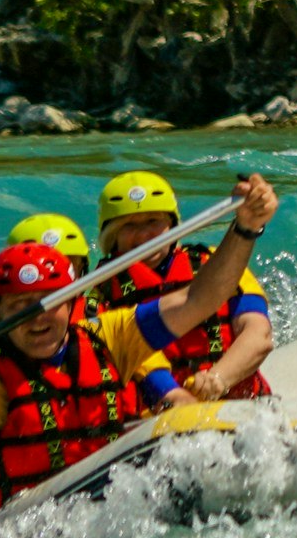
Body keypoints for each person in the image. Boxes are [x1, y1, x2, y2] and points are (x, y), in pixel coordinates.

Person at [0, 174, 279, 530]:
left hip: (101, 527)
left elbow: (202, 298)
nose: (39, 318)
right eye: (20, 308)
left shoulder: (110, 334)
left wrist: (245, 228)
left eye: (53, 302)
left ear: (75, 300)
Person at [92, 170, 273, 400]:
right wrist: (174, 395)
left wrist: (217, 380)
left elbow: (259, 334)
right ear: (112, 236)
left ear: (172, 226)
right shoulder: (100, 295)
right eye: (129, 225)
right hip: (161, 412)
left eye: (153, 221)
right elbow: (136, 357)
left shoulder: (221, 264)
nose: (145, 234)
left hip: (236, 396)